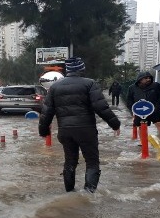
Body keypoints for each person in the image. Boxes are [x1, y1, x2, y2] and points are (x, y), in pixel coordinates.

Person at [38, 57, 121, 193]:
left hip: (65, 131)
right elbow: (101, 107)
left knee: (70, 162)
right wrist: (115, 124)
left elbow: (46, 112)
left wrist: (43, 131)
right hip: (86, 130)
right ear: (82, 69)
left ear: (67, 70)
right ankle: (88, 195)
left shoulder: (55, 87)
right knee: (92, 161)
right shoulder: (90, 84)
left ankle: (70, 193)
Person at [126, 71, 160, 149]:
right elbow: (129, 100)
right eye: (146, 78)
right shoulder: (132, 88)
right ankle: (143, 142)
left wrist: (158, 106)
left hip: (155, 109)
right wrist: (133, 110)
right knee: (141, 126)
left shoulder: (156, 86)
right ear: (140, 79)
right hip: (140, 111)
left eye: (149, 78)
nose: (148, 79)